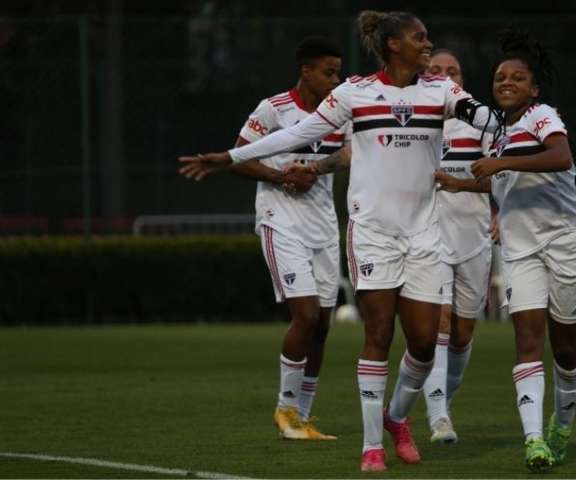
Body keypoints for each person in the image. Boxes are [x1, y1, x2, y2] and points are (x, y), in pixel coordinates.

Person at [178, 10, 501, 472]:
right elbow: (294, 134)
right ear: (393, 44)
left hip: (425, 233)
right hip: (371, 233)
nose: (427, 45)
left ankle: (396, 419)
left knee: (426, 343)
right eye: (419, 37)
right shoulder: (355, 93)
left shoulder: (440, 89)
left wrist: (502, 121)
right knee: (378, 334)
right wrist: (228, 157)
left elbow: (480, 114)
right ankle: (372, 446)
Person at [435, 28, 576, 473]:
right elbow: (501, 180)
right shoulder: (499, 133)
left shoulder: (543, 115)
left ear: (533, 89)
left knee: (564, 350)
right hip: (521, 250)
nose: (506, 82)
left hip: (565, 240)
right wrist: (462, 182)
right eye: (500, 77)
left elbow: (560, 157)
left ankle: (562, 424)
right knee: (527, 342)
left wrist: (501, 162)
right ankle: (535, 440)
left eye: (517, 78)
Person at [180, 36, 351, 441]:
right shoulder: (273, 108)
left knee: (323, 324)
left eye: (338, 72)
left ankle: (302, 416)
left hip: (324, 223)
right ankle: (284, 409)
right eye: (328, 72)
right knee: (305, 315)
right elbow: (241, 156)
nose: (335, 79)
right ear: (305, 71)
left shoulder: (339, 113)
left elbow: (345, 155)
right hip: (281, 220)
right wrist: (280, 177)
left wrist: (315, 171)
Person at [420, 49, 494, 444]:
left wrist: (459, 183)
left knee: (463, 334)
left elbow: (499, 179)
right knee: (441, 325)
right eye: (436, 71)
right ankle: (438, 419)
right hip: (430, 239)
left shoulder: (481, 123)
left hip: (474, 239)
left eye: (454, 71)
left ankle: (441, 402)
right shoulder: (415, 123)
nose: (446, 77)